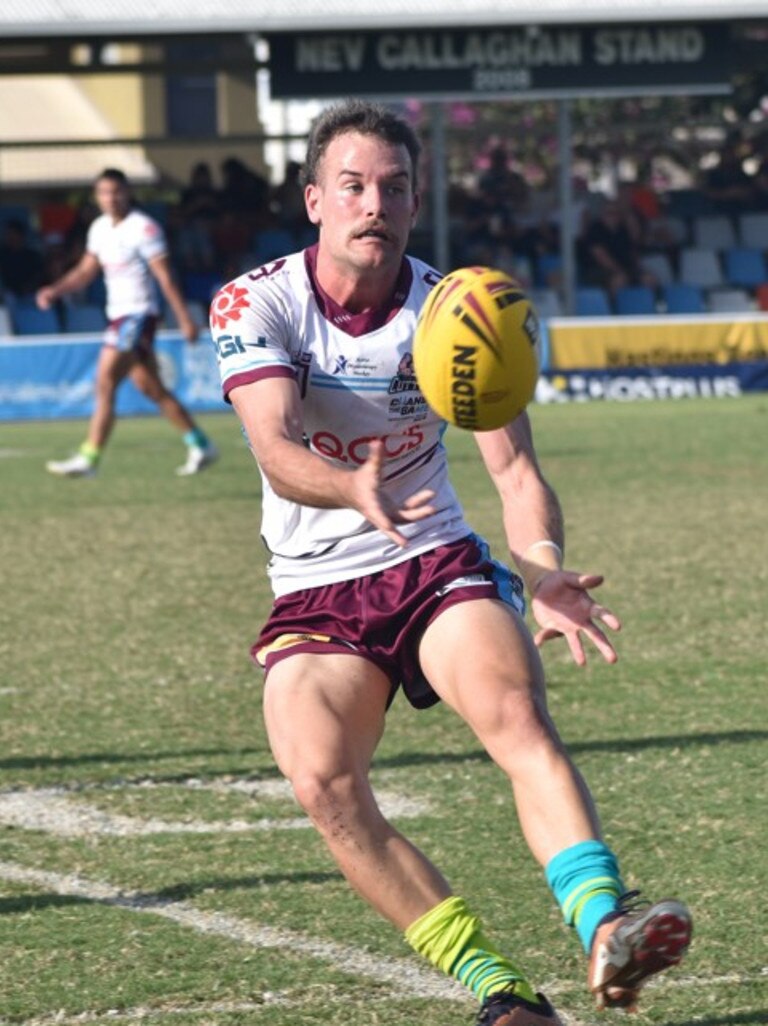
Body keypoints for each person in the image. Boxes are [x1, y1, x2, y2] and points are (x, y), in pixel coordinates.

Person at [210, 99, 691, 1026]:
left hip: (433, 563)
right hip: (315, 586)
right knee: (322, 782)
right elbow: (272, 444)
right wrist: (351, 489)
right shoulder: (256, 300)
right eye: (351, 185)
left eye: (393, 187)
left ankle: (605, 925)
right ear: (315, 200)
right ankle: (500, 993)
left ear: (416, 201)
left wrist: (543, 567)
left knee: (513, 710)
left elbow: (514, 470)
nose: (372, 204)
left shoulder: (460, 308)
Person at [37, 168, 218, 478]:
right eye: (105, 192)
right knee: (151, 388)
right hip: (117, 316)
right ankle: (201, 444)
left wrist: (185, 318)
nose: (112, 198)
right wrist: (55, 290)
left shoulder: (144, 228)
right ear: (97, 196)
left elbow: (165, 276)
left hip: (138, 315)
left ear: (128, 193)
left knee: (105, 380)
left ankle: (89, 457)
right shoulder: (99, 229)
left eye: (117, 191)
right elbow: (85, 271)